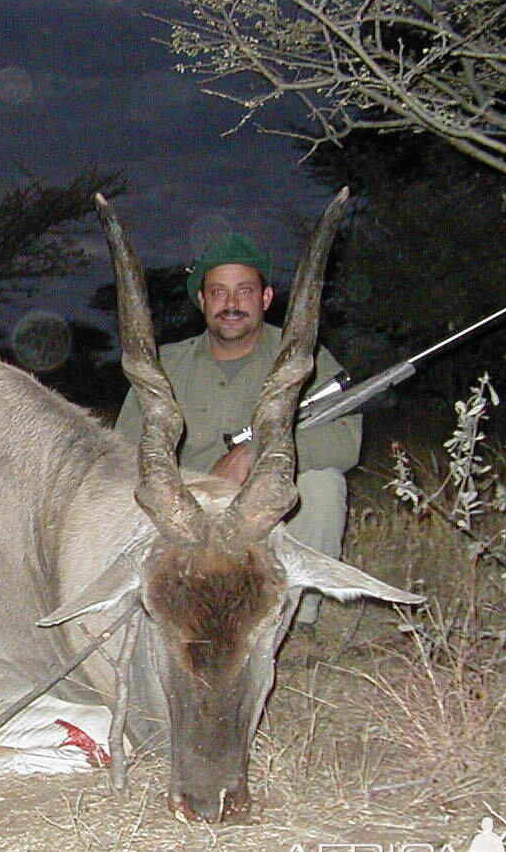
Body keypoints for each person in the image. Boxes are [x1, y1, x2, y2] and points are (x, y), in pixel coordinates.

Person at [113, 233, 361, 626]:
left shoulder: (302, 357)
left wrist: (254, 455)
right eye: (218, 292)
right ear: (202, 302)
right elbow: (122, 453)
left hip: (260, 511)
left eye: (244, 291)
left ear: (265, 299)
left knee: (324, 486)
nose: (231, 304)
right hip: (186, 517)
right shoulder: (166, 362)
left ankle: (296, 621)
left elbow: (345, 440)